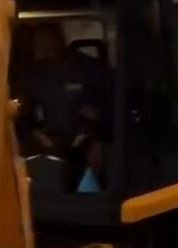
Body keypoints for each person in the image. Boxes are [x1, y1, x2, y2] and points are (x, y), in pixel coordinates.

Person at [15, 23, 113, 192]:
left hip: (85, 141)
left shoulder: (86, 68)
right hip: (46, 143)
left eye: (45, 41)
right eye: (37, 42)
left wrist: (97, 117)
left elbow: (114, 103)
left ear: (57, 40)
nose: (41, 47)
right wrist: (33, 133)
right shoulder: (33, 75)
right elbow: (21, 111)